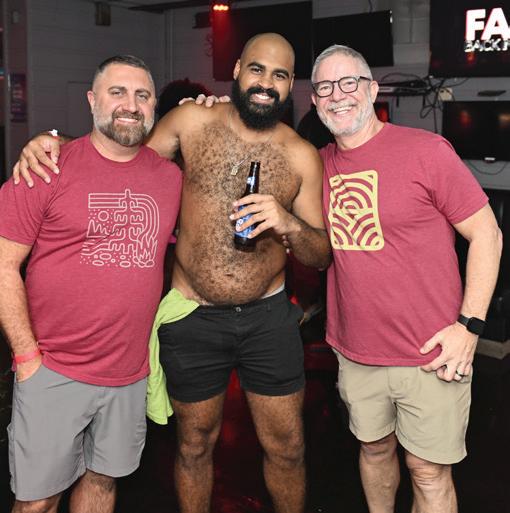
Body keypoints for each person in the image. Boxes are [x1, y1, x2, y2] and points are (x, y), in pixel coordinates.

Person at [11, 33, 331, 513]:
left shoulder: (302, 154)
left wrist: (287, 223)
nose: (266, 83)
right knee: (193, 445)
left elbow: (321, 255)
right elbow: (122, 154)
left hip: (268, 318)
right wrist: (54, 144)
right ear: (237, 70)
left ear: (291, 85)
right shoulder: (190, 121)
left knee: (288, 447)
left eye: (280, 75)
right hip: (193, 318)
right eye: (257, 69)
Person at [312, 45, 502, 513]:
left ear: (372, 89)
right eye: (325, 87)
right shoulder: (316, 164)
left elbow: (487, 234)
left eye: (349, 82)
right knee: (374, 450)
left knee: (428, 471)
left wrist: (470, 327)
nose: (338, 95)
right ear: (314, 101)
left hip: (431, 351)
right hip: (356, 350)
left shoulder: (425, 151)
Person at [0, 55, 182, 513]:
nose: (130, 105)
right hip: (53, 369)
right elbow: (3, 266)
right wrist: (26, 358)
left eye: (142, 95)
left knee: (102, 482)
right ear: (91, 100)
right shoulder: (45, 168)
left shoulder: (169, 178)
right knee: (37, 501)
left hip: (129, 374)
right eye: (117, 92)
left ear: (154, 106)